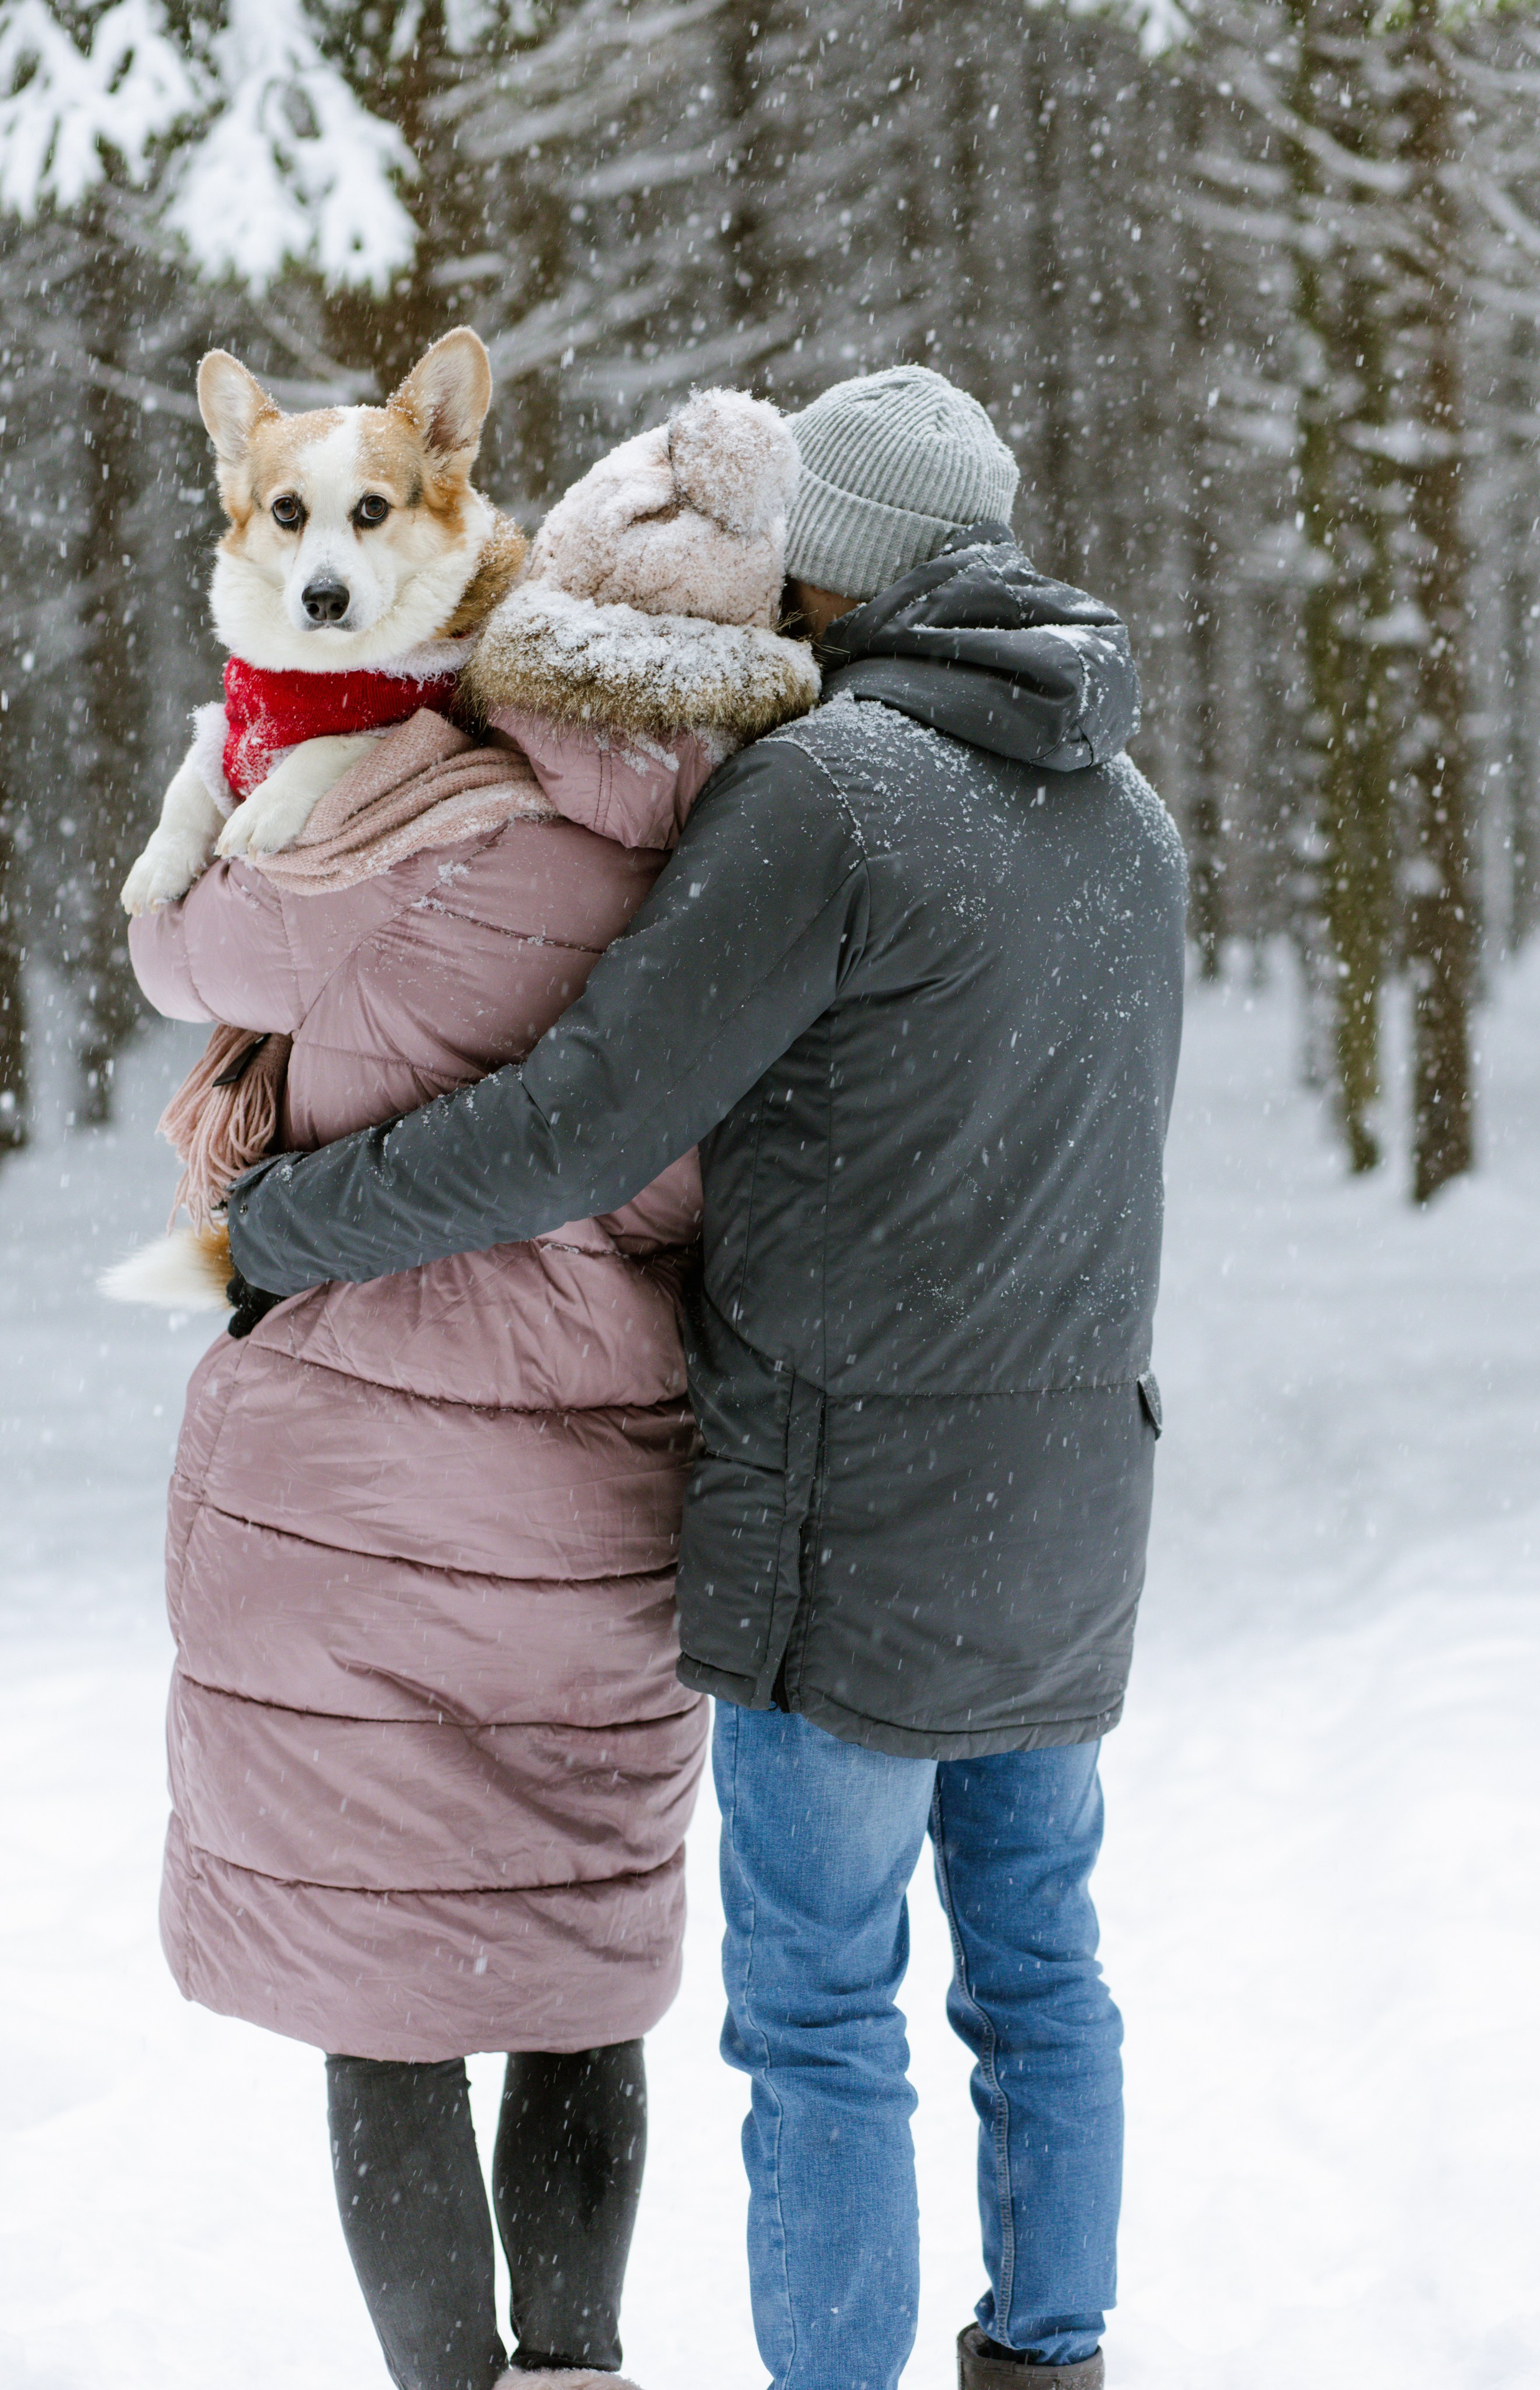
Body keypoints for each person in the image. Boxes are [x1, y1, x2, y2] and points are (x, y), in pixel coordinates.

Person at [225, 365, 1188, 2390]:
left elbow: (584, 1119)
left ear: (821, 569)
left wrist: (291, 1222)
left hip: (849, 1513)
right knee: (1044, 1974)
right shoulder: (1134, 819)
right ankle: (1054, 2358)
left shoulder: (831, 795)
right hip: (1076, 1504)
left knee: (826, 2008)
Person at [127, 390, 818, 2390]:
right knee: (576, 1970)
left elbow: (186, 950)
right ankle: (577, 2367)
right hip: (608, 1496)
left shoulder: (411, 820)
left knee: (392, 1989)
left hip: (354, 1488)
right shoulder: (742, 867)